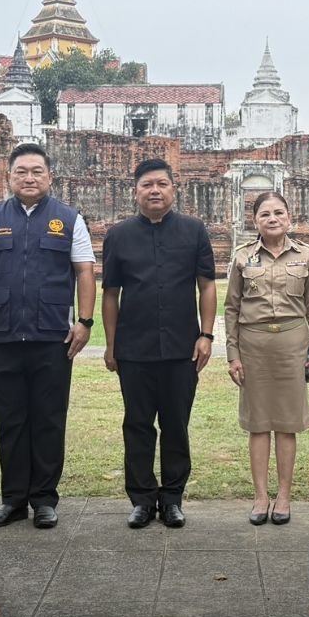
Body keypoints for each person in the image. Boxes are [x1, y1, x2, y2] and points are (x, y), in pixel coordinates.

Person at [0, 143, 96, 530]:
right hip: (3, 336)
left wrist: (84, 322)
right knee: (10, 420)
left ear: (50, 177)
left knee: (49, 420)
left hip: (53, 338)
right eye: (22, 171)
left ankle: (44, 500)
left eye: (37, 171)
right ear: (9, 177)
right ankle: (13, 499)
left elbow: (85, 272)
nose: (30, 177)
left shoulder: (69, 219)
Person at [100, 159, 217, 528]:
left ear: (173, 189)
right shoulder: (118, 236)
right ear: (135, 191)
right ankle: (141, 498)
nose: (155, 190)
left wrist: (207, 334)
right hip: (134, 348)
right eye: (147, 184)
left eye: (162, 184)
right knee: (136, 424)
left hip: (182, 348)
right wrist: (110, 344)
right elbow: (110, 294)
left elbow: (207, 285)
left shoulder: (194, 230)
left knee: (176, 424)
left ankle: (172, 499)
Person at [224, 191, 309, 525]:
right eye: (264, 214)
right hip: (253, 345)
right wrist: (233, 354)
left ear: (289, 217)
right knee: (258, 424)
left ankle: (283, 495)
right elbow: (232, 308)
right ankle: (260, 496)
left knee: (286, 424)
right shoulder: (242, 258)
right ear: (255, 221)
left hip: (292, 345)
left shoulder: (305, 256)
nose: (272, 218)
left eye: (278, 212)